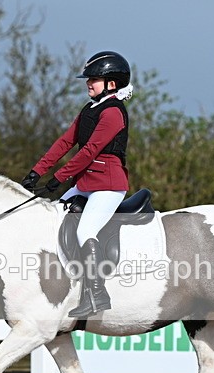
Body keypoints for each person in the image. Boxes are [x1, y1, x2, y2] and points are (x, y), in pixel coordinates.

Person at [22, 50, 133, 318]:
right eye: (88, 79)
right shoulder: (90, 109)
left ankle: (96, 294)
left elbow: (90, 151)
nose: (88, 83)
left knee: (86, 231)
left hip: (108, 184)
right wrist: (37, 172)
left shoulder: (114, 113)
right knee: (52, 220)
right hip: (86, 182)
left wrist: (58, 178)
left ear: (112, 84)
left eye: (93, 79)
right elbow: (65, 142)